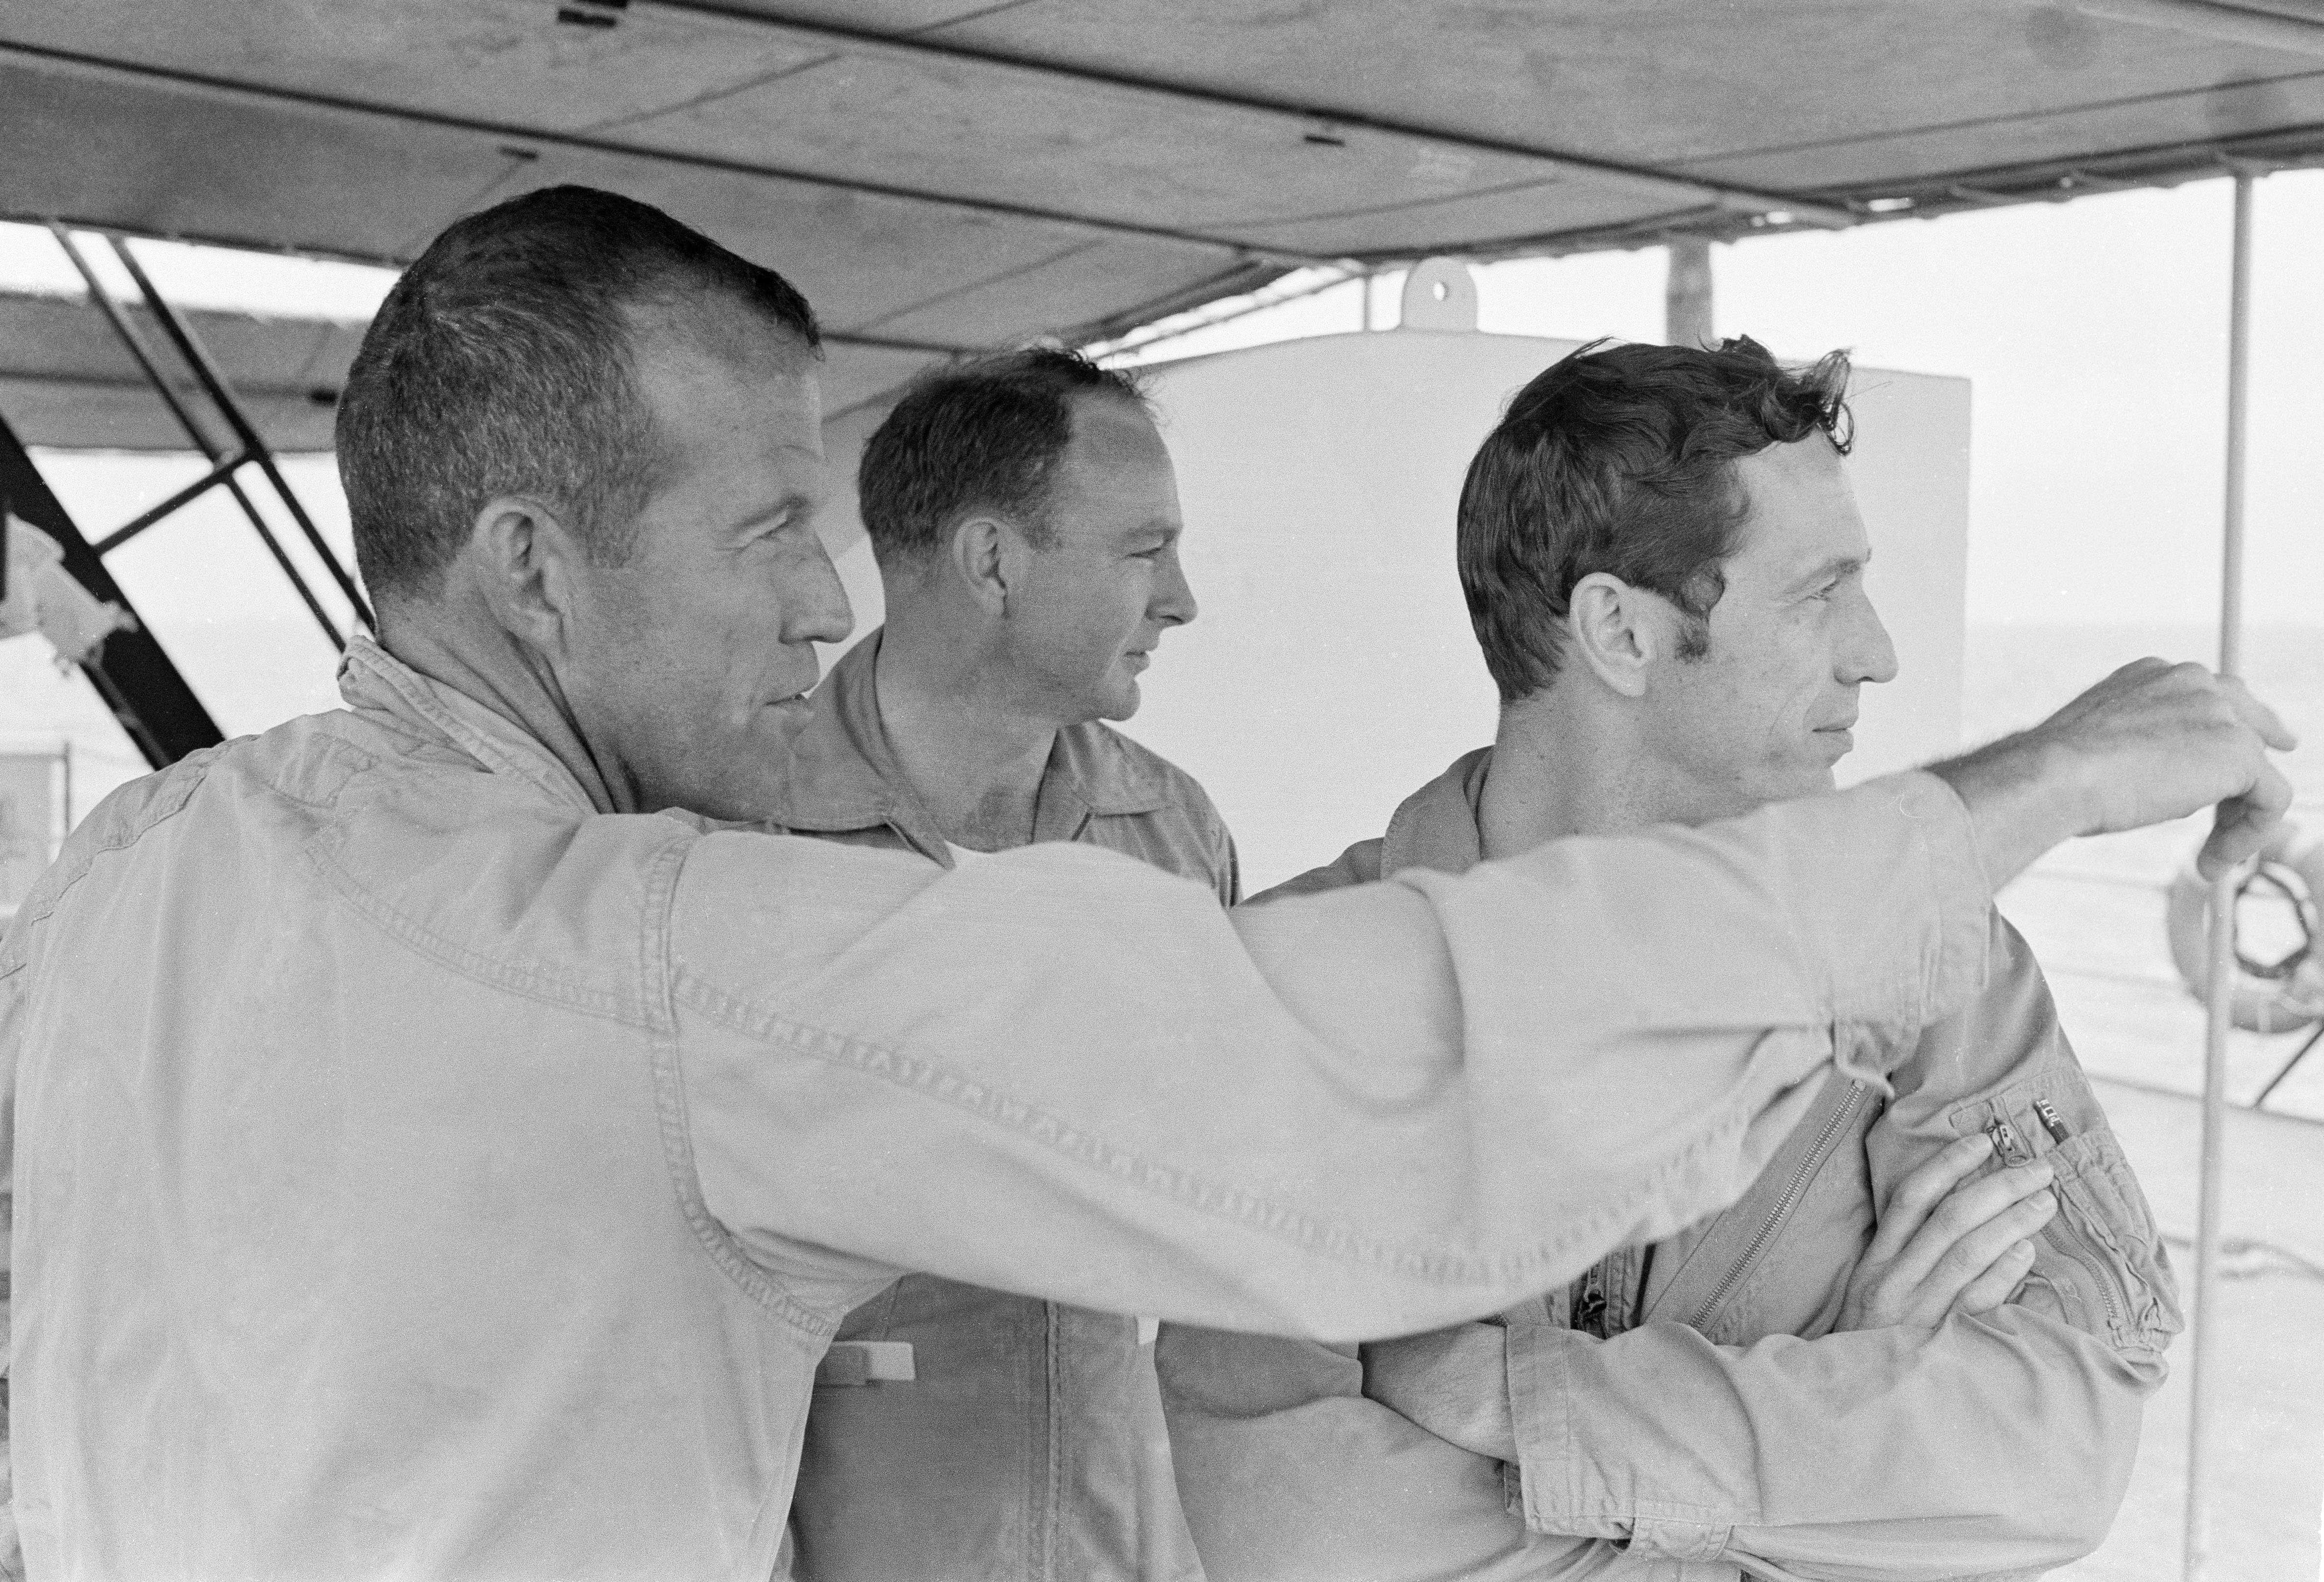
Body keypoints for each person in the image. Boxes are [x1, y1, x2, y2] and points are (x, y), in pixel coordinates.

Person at [0, 189, 2290, 1580]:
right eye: (770, 527)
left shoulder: (119, 883)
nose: (830, 601)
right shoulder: (659, 956)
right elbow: (1353, 1101)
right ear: (529, 567)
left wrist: (1524, 1419)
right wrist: (2035, 784)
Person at [1158, 338, 2185, 1582]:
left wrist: (1523, 1402)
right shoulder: (1289, 993)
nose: (1877, 652)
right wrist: (1846, 1424)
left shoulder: (1937, 964)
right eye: (1820, 593)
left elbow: (2059, 1456)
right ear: (1621, 634)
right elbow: (1296, 1536)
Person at [777, 350, 1225, 1581]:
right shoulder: (732, 846)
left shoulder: (1173, 833)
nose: (1181, 599)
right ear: (991, 563)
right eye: (1145, 551)